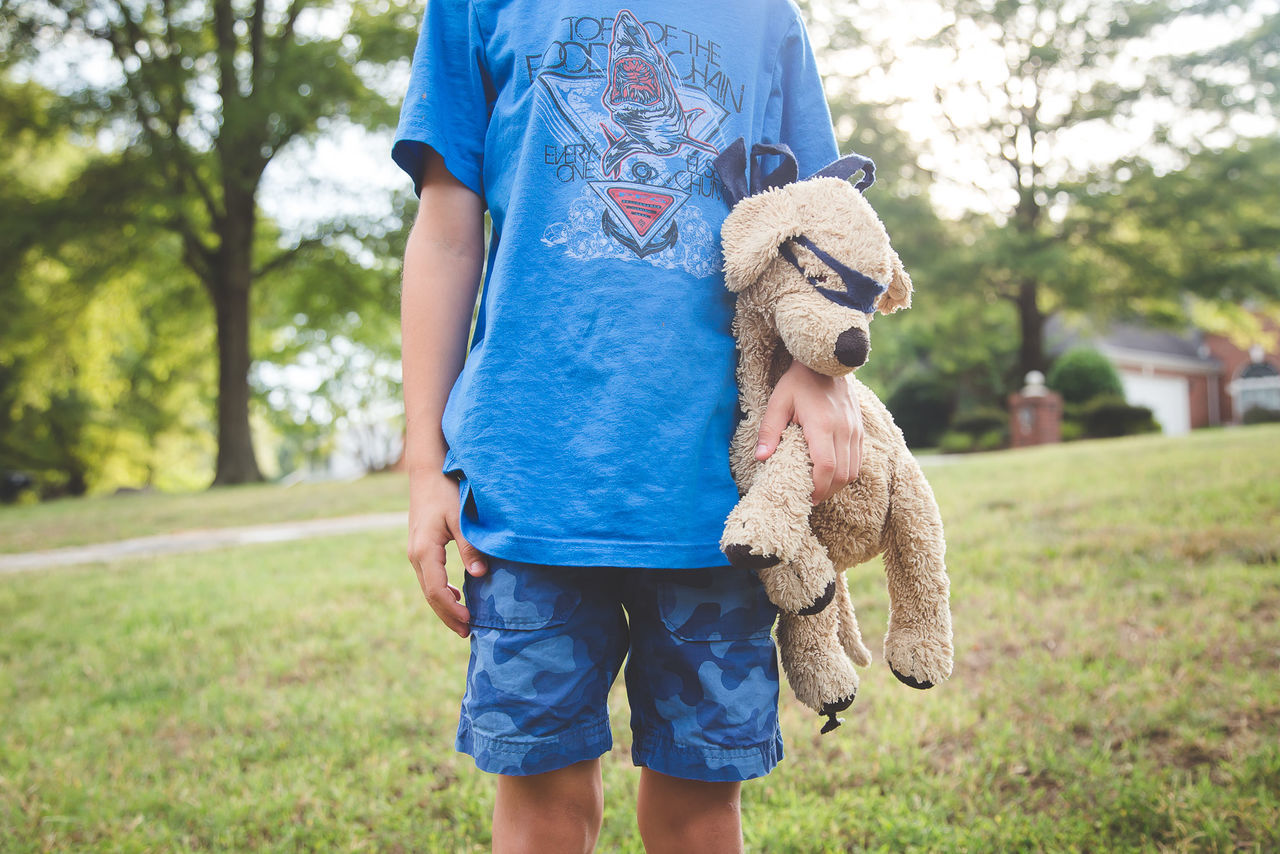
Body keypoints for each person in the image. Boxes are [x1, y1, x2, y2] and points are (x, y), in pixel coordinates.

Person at [394, 3, 864, 851]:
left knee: (700, 808)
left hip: (719, 493)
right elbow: (446, 232)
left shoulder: (764, 15)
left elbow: (822, 223)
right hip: (528, 482)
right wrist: (427, 467)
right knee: (541, 804)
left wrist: (819, 372)